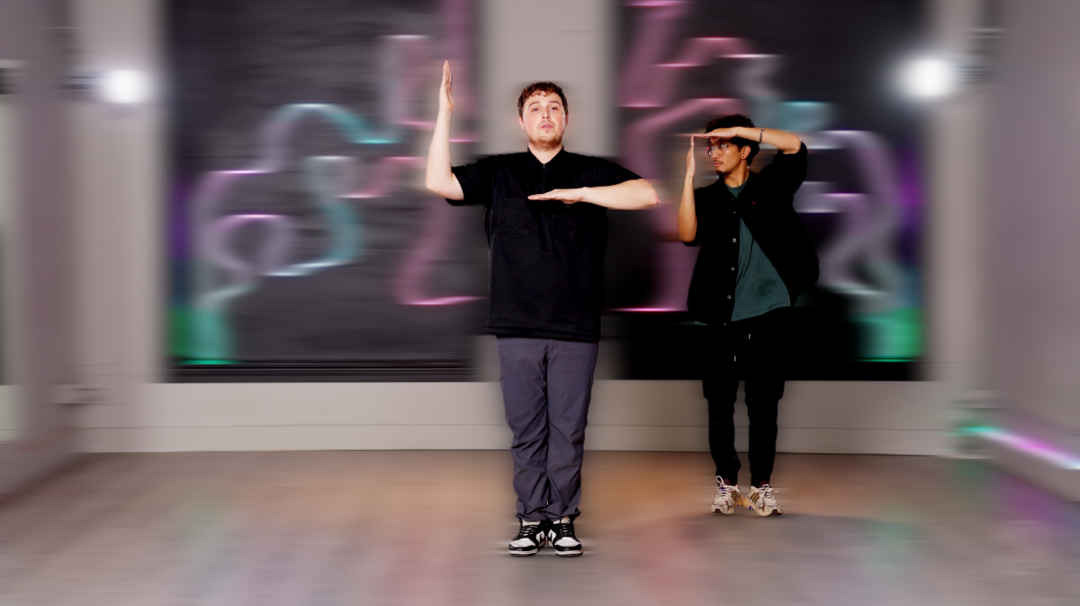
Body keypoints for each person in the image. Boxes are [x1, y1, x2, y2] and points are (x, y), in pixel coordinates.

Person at [425, 62, 658, 555]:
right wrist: (444, 114)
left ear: (566, 119)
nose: (545, 114)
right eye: (535, 108)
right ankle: (532, 518)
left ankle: (563, 518)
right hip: (516, 326)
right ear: (522, 121)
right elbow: (439, 182)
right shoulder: (498, 171)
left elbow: (647, 194)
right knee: (526, 430)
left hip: (576, 327)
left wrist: (583, 194)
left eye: (554, 107)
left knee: (568, 431)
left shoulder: (591, 170)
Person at [678, 114, 818, 516]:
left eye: (723, 145)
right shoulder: (706, 197)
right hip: (717, 315)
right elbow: (687, 234)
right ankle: (727, 484)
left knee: (764, 403)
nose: (714, 152)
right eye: (711, 146)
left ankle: (761, 486)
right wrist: (687, 180)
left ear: (744, 150)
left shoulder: (771, 185)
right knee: (719, 405)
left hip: (767, 312)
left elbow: (794, 146)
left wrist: (739, 130)